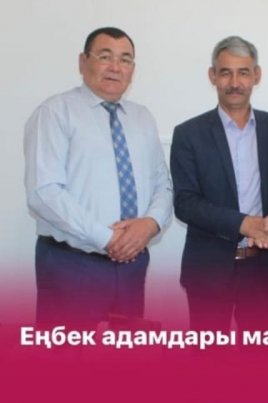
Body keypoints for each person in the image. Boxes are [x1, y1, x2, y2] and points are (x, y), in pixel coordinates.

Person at [24, 27, 172, 327]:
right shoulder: (55, 112)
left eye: (125, 59)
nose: (115, 67)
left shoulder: (142, 117)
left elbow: (163, 184)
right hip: (72, 265)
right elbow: (44, 192)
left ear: (132, 69)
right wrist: (109, 238)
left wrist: (150, 224)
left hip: (132, 267)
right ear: (83, 62)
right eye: (105, 57)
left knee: (124, 352)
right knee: (66, 354)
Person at [170, 36, 268, 332]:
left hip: (264, 270)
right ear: (213, 76)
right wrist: (243, 224)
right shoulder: (188, 134)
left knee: (259, 357)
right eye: (225, 73)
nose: (234, 83)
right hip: (208, 270)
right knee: (208, 358)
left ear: (256, 75)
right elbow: (185, 203)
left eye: (243, 72)